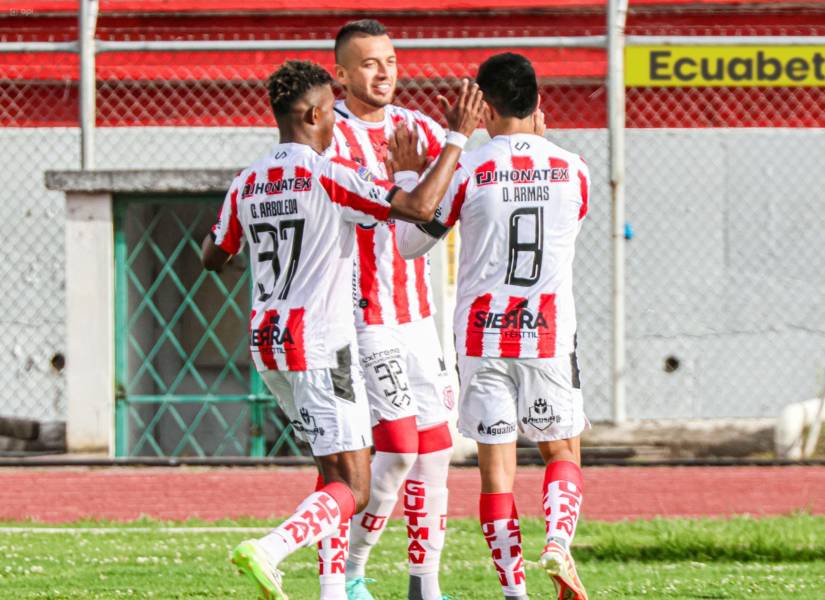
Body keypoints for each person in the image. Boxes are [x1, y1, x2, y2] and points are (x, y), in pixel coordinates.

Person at [200, 60, 483, 599]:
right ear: (312, 113)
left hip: (268, 342)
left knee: (332, 469)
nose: (337, 125)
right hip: (323, 345)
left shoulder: (248, 181)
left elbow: (213, 255)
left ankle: (333, 590)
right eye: (332, 113)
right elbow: (419, 207)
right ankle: (273, 548)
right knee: (350, 483)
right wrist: (456, 138)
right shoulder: (326, 174)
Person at [395, 53, 591, 600]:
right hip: (547, 334)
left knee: (496, 474)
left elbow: (411, 244)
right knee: (561, 452)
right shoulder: (574, 168)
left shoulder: (466, 168)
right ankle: (557, 540)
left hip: (482, 339)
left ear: (481, 105)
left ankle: (514, 593)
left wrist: (408, 175)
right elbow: (569, 223)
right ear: (537, 100)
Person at [317, 19, 455, 600]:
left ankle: (424, 584)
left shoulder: (418, 128)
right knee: (397, 451)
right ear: (342, 74)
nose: (384, 73)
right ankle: (350, 571)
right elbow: (404, 207)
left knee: (437, 453)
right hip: (364, 318)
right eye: (370, 63)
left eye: (391, 61)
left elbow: (450, 197)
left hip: (421, 317)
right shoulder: (330, 139)